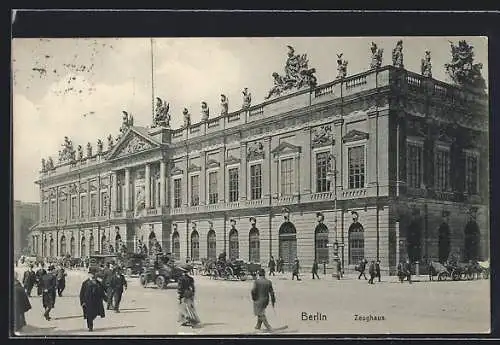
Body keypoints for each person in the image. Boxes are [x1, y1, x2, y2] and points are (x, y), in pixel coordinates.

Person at [80, 267, 107, 332]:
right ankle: (90, 327)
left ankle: (91, 320)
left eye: (94, 274)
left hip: (96, 301)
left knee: (94, 314)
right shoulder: (85, 283)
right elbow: (82, 293)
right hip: (88, 301)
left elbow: (102, 291)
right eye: (91, 274)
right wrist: (82, 302)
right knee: (89, 314)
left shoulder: (98, 282)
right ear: (89, 274)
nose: (93, 275)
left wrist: (106, 299)